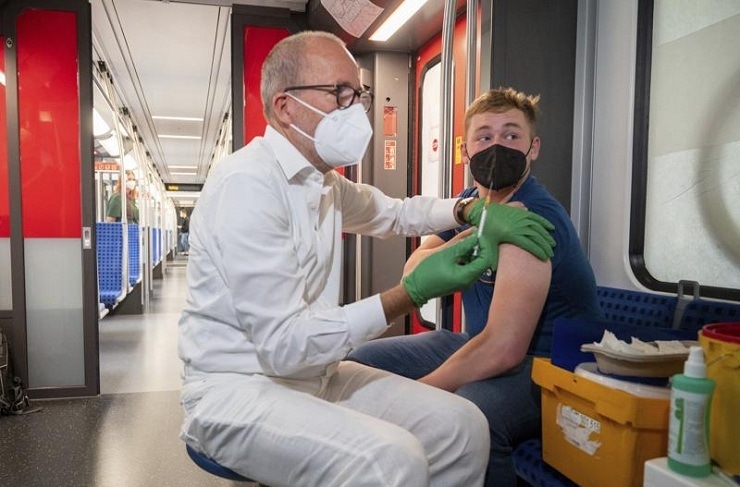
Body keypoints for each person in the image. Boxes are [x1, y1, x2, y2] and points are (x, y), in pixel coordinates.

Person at [178, 32, 556, 487]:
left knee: (463, 428)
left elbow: (395, 214)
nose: (356, 110)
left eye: (357, 95)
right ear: (285, 107)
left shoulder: (324, 185)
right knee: (390, 460)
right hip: (238, 389)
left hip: (313, 376)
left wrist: (466, 209)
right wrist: (408, 295)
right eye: (339, 93)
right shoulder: (247, 186)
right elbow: (283, 346)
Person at [348, 87, 604, 486]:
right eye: (484, 137)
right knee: (363, 362)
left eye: (511, 136)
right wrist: (475, 235)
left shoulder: (531, 219)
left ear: (532, 148)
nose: (497, 146)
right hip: (479, 341)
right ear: (466, 152)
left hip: (549, 367)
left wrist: (415, 396)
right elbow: (413, 268)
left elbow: (504, 349)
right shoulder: (471, 202)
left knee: (471, 412)